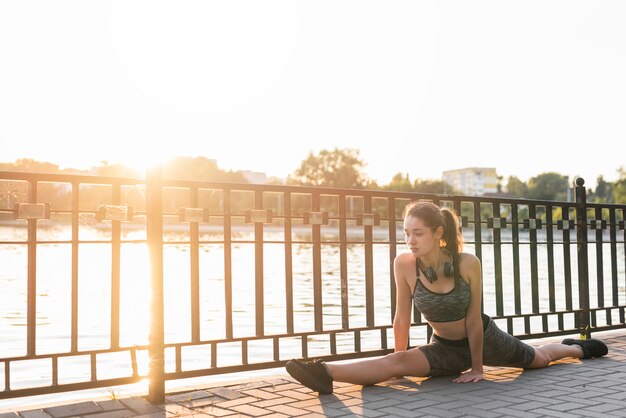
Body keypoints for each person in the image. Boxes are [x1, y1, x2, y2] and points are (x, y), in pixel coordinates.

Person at [285, 201, 608, 395]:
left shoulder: (468, 263)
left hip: (485, 339)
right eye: (406, 232)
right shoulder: (405, 264)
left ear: (438, 234)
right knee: (394, 362)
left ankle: (577, 347)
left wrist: (479, 367)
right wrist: (401, 362)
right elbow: (401, 316)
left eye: (418, 233)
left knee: (538, 359)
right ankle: (322, 372)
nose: (409, 240)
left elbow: (473, 319)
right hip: (444, 347)